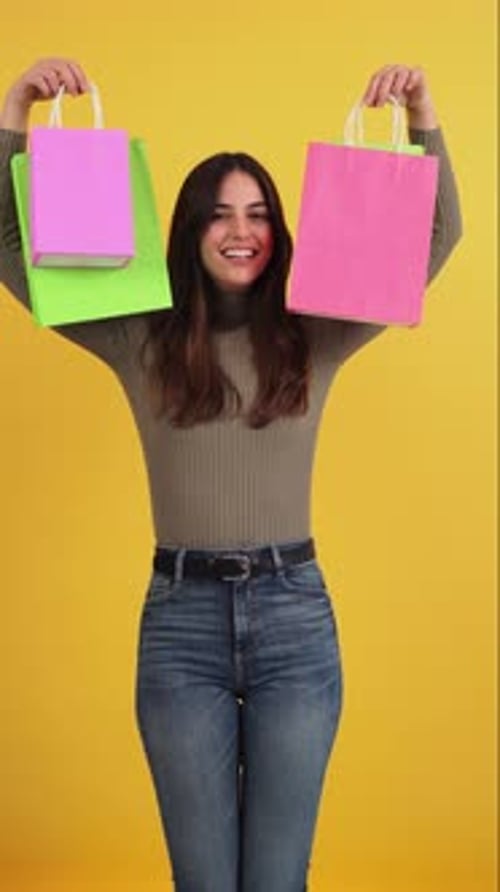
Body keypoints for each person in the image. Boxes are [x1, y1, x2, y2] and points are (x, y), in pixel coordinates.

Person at [0, 58, 462, 892]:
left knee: (278, 880)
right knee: (204, 883)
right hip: (181, 632)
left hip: (295, 624)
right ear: (188, 231)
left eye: (256, 213)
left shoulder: (317, 329)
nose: (238, 230)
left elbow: (434, 240)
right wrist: (15, 117)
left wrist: (423, 119)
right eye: (218, 215)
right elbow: (9, 247)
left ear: (280, 230)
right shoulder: (135, 336)